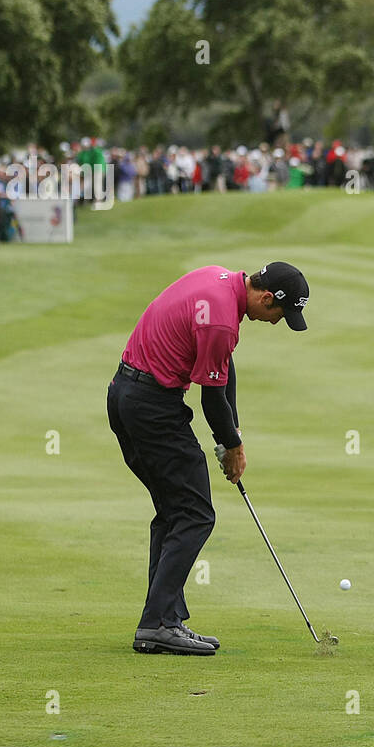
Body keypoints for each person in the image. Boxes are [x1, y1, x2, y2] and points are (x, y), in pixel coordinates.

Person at [108, 261, 311, 655]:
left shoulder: (218, 281)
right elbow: (211, 397)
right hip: (152, 407)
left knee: (173, 512)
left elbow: (223, 368)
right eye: (279, 315)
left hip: (126, 396)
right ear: (267, 298)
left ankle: (166, 619)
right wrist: (232, 448)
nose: (275, 322)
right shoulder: (220, 320)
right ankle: (157, 624)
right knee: (194, 513)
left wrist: (233, 435)